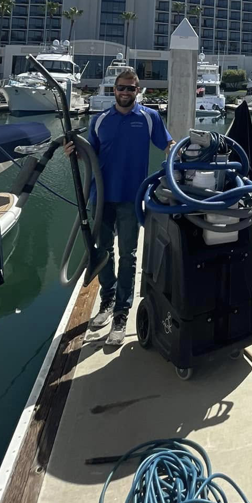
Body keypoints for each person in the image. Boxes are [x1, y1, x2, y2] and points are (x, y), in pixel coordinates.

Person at [64, 68, 173, 348]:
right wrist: (73, 152)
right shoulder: (100, 120)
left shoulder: (149, 118)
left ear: (138, 91)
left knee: (128, 254)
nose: (125, 93)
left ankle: (122, 313)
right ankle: (108, 300)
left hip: (131, 198)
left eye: (130, 88)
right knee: (102, 251)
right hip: (101, 198)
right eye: (121, 88)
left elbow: (167, 144)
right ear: (114, 90)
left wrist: (182, 154)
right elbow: (89, 153)